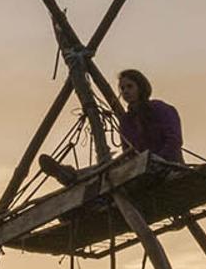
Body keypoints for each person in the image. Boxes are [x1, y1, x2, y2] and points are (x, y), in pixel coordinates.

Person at [36, 68, 184, 186]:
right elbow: (128, 151)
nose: (125, 91)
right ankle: (70, 175)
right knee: (107, 168)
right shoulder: (126, 121)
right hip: (140, 168)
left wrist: (156, 160)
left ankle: (73, 176)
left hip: (167, 164)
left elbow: (174, 140)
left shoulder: (160, 109)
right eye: (122, 88)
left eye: (130, 86)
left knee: (113, 171)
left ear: (141, 87)